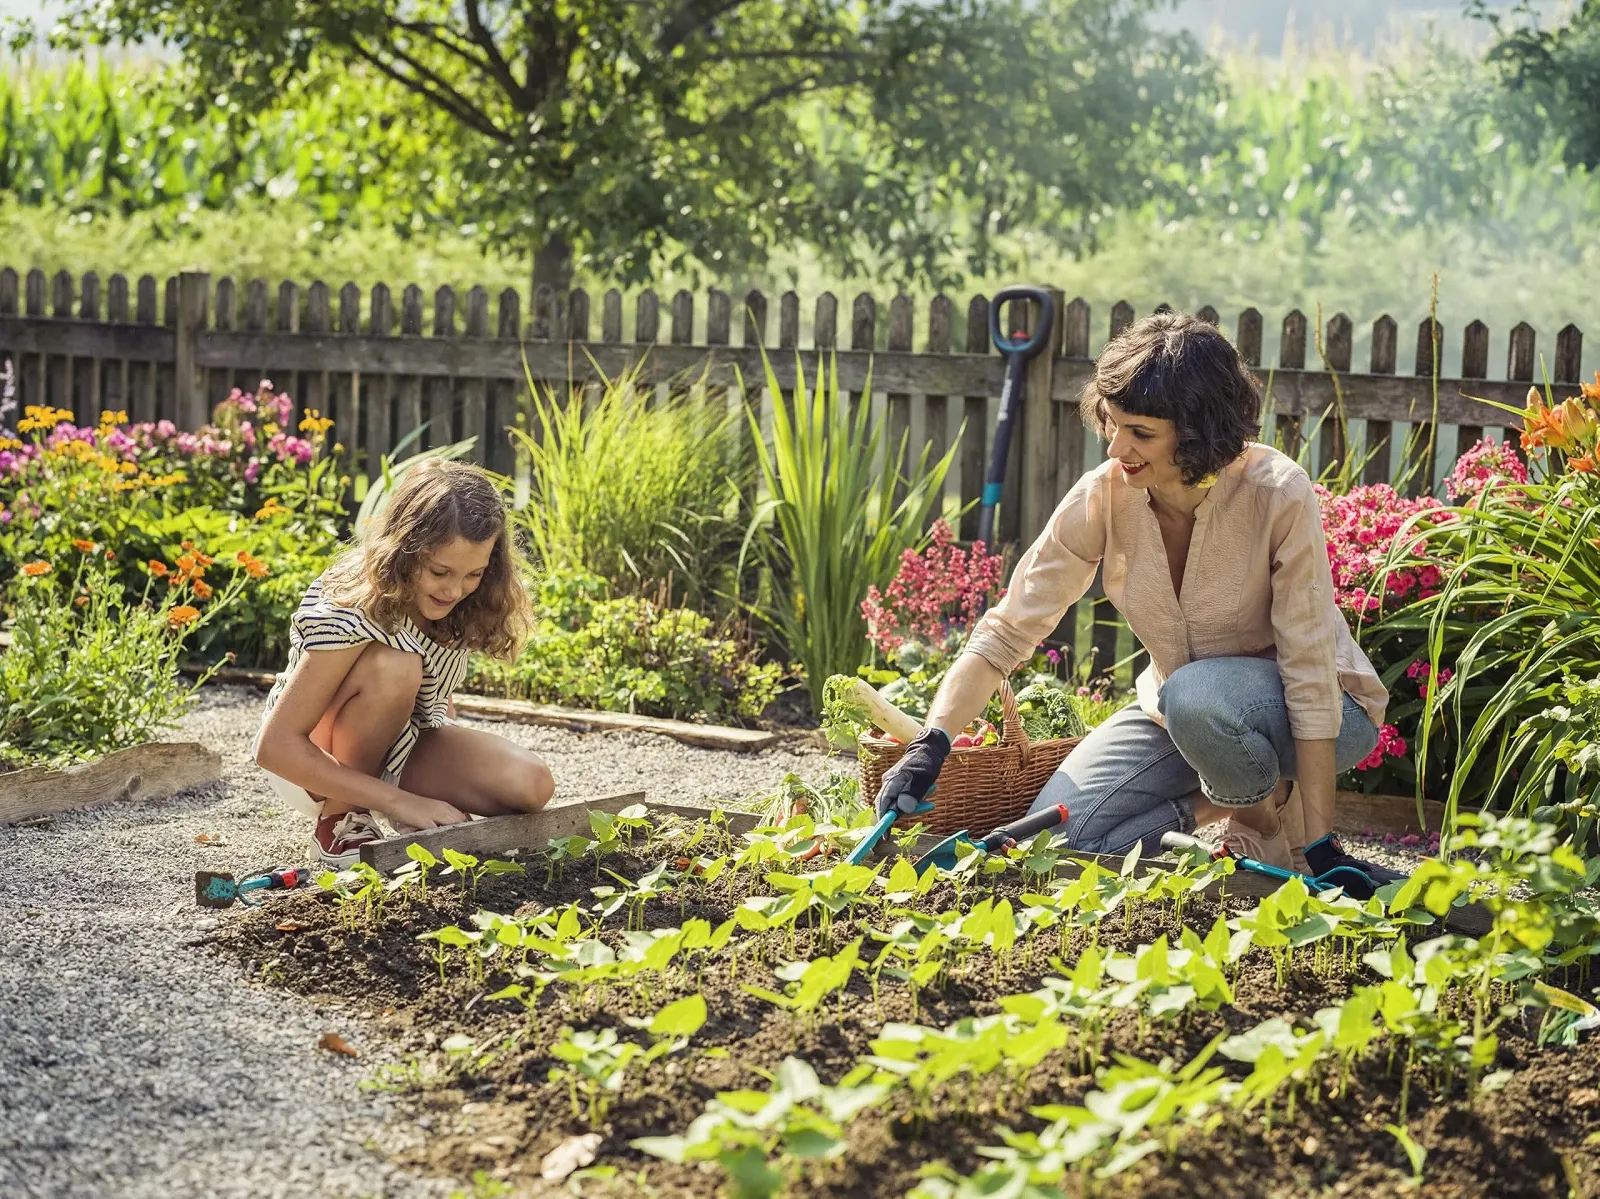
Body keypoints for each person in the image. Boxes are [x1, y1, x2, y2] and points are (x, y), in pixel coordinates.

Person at [874, 310, 1404, 894]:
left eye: (1141, 433)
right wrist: (933, 742)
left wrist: (1322, 843)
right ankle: (1219, 801)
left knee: (1197, 696)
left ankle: (1262, 813)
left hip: (1315, 715)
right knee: (1055, 846)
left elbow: (1306, 665)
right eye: (1113, 423)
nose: (1116, 446)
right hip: (1181, 714)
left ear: (1199, 433)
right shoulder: (1104, 495)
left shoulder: (1275, 493)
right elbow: (1008, 629)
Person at [253, 457, 556, 867]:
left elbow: (432, 694)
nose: (455, 590)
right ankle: (342, 816)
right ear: (406, 549)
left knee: (532, 785)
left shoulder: (458, 604)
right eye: (440, 571)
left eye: (473, 574)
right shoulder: (353, 604)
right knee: (396, 667)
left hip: (396, 744)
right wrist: (401, 802)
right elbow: (273, 748)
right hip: (310, 762)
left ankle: (395, 808)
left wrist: (431, 789)